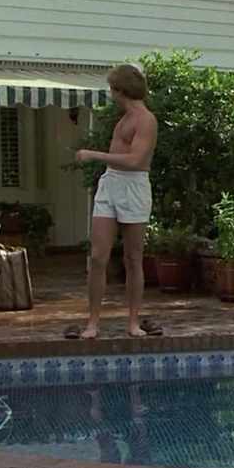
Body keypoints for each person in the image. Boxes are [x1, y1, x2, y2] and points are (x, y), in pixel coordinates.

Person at [75, 64, 158, 339]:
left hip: (134, 187)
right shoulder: (124, 119)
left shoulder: (146, 120)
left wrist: (93, 155)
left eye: (112, 88)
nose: (110, 93)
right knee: (98, 256)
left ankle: (133, 322)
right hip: (110, 184)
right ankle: (92, 323)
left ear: (121, 90)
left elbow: (135, 160)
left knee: (133, 257)